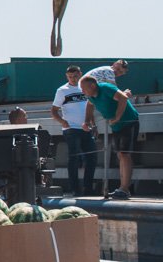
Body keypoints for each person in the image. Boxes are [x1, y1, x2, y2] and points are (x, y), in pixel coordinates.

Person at [80, 75, 138, 200]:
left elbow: (123, 98)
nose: (82, 91)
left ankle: (124, 188)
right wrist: (87, 121)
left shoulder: (105, 88)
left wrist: (117, 117)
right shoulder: (91, 96)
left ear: (93, 85)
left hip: (128, 121)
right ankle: (122, 188)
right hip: (116, 127)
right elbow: (89, 105)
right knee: (120, 155)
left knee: (124, 154)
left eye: (84, 88)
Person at [52, 65, 97, 196]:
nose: (73, 79)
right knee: (74, 158)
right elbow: (54, 110)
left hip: (86, 127)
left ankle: (88, 188)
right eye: (70, 77)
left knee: (92, 158)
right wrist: (62, 122)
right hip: (71, 129)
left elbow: (90, 107)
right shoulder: (62, 90)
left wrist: (93, 125)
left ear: (80, 74)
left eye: (75, 76)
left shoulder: (84, 88)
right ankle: (75, 189)